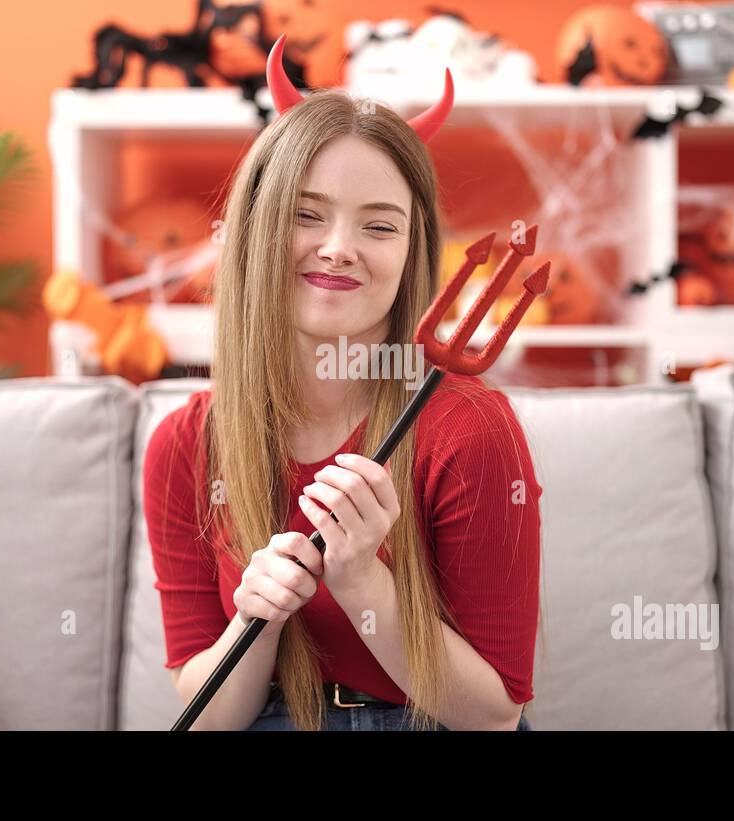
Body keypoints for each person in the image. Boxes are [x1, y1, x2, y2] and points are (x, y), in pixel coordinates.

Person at [144, 37, 542, 731]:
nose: (338, 247)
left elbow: (493, 714)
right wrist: (254, 621)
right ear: (255, 231)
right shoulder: (185, 445)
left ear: (412, 250)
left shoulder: (472, 430)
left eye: (379, 225)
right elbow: (209, 719)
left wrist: (365, 583)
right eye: (306, 214)